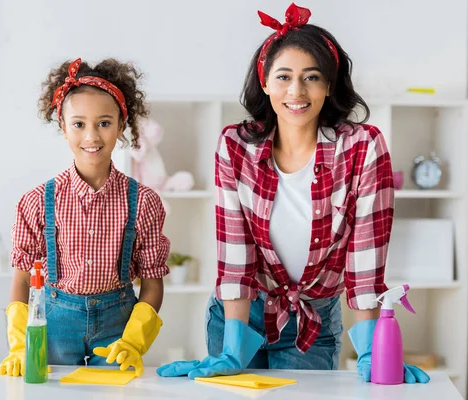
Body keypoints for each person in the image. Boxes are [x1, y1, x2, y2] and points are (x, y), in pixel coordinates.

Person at [157, 3, 429, 384]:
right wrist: (233, 349)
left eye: (311, 77)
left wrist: (371, 349)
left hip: (313, 325)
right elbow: (235, 253)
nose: (296, 91)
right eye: (283, 77)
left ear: (329, 84)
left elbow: (366, 257)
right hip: (240, 317)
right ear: (265, 83)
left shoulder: (363, 147)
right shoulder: (235, 145)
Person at [0, 57, 170, 378]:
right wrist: (21, 346)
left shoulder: (144, 202)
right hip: (54, 326)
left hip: (117, 328)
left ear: (121, 125)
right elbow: (22, 278)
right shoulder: (36, 201)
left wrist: (133, 341)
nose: (91, 136)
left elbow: (152, 283)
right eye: (79, 124)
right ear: (63, 128)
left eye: (104, 123)